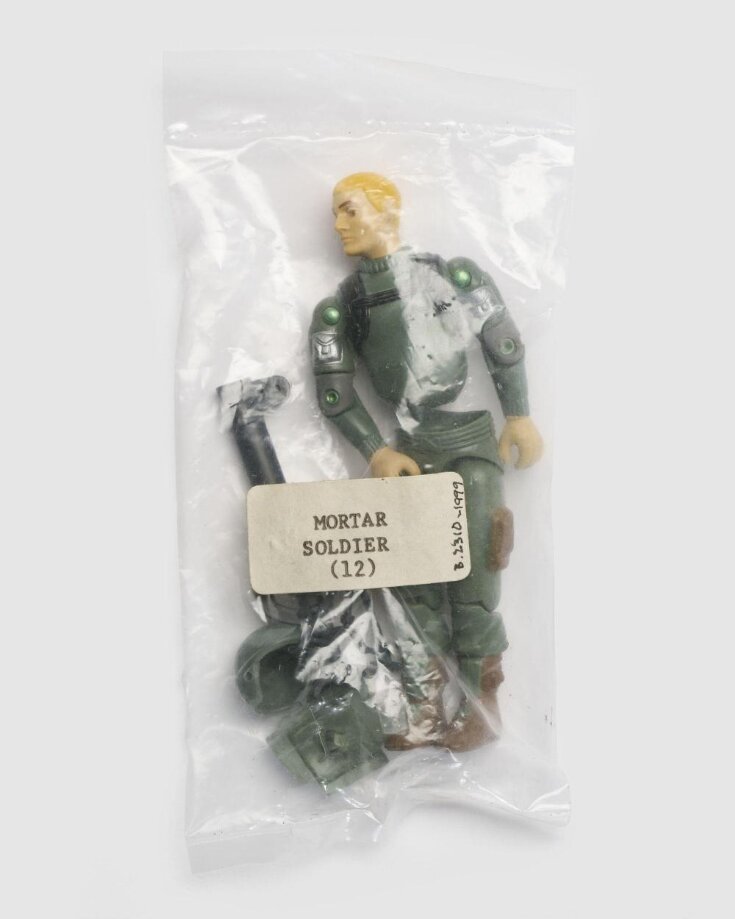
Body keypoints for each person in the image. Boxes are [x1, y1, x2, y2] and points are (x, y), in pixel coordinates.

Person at [310, 172, 543, 751]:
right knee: (414, 587)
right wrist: (377, 450)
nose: (338, 225)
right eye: (335, 213)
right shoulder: (342, 307)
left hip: (470, 443)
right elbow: (335, 392)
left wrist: (518, 414)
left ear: (388, 211)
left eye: (350, 210)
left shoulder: (452, 276)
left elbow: (501, 340)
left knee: (477, 572)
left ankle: (483, 703)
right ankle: (425, 705)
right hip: (408, 456)